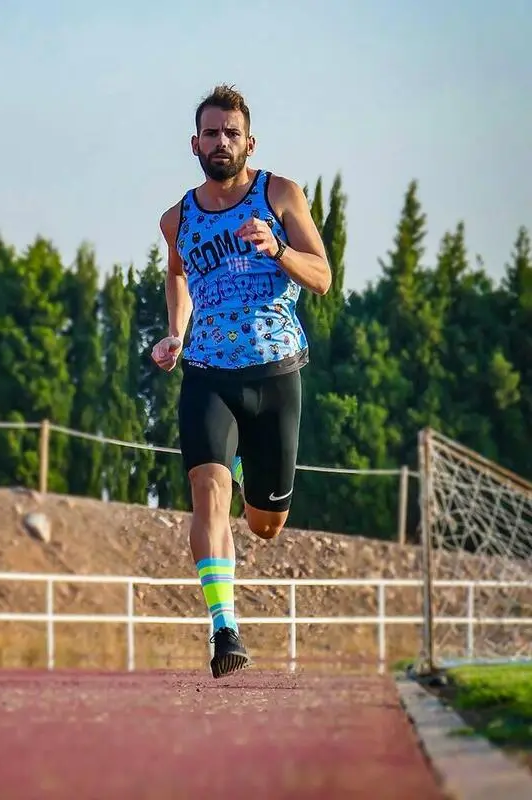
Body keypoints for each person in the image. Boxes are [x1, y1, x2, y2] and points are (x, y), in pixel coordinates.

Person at [151, 84, 331, 679]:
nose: (220, 142)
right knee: (207, 492)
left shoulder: (279, 193)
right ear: (194, 143)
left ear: (248, 141)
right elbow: (177, 274)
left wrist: (277, 247)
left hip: (275, 371)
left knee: (265, 525)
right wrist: (177, 331)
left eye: (231, 132)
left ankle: (260, 479)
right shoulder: (176, 218)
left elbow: (323, 277)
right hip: (207, 372)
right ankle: (223, 628)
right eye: (210, 133)